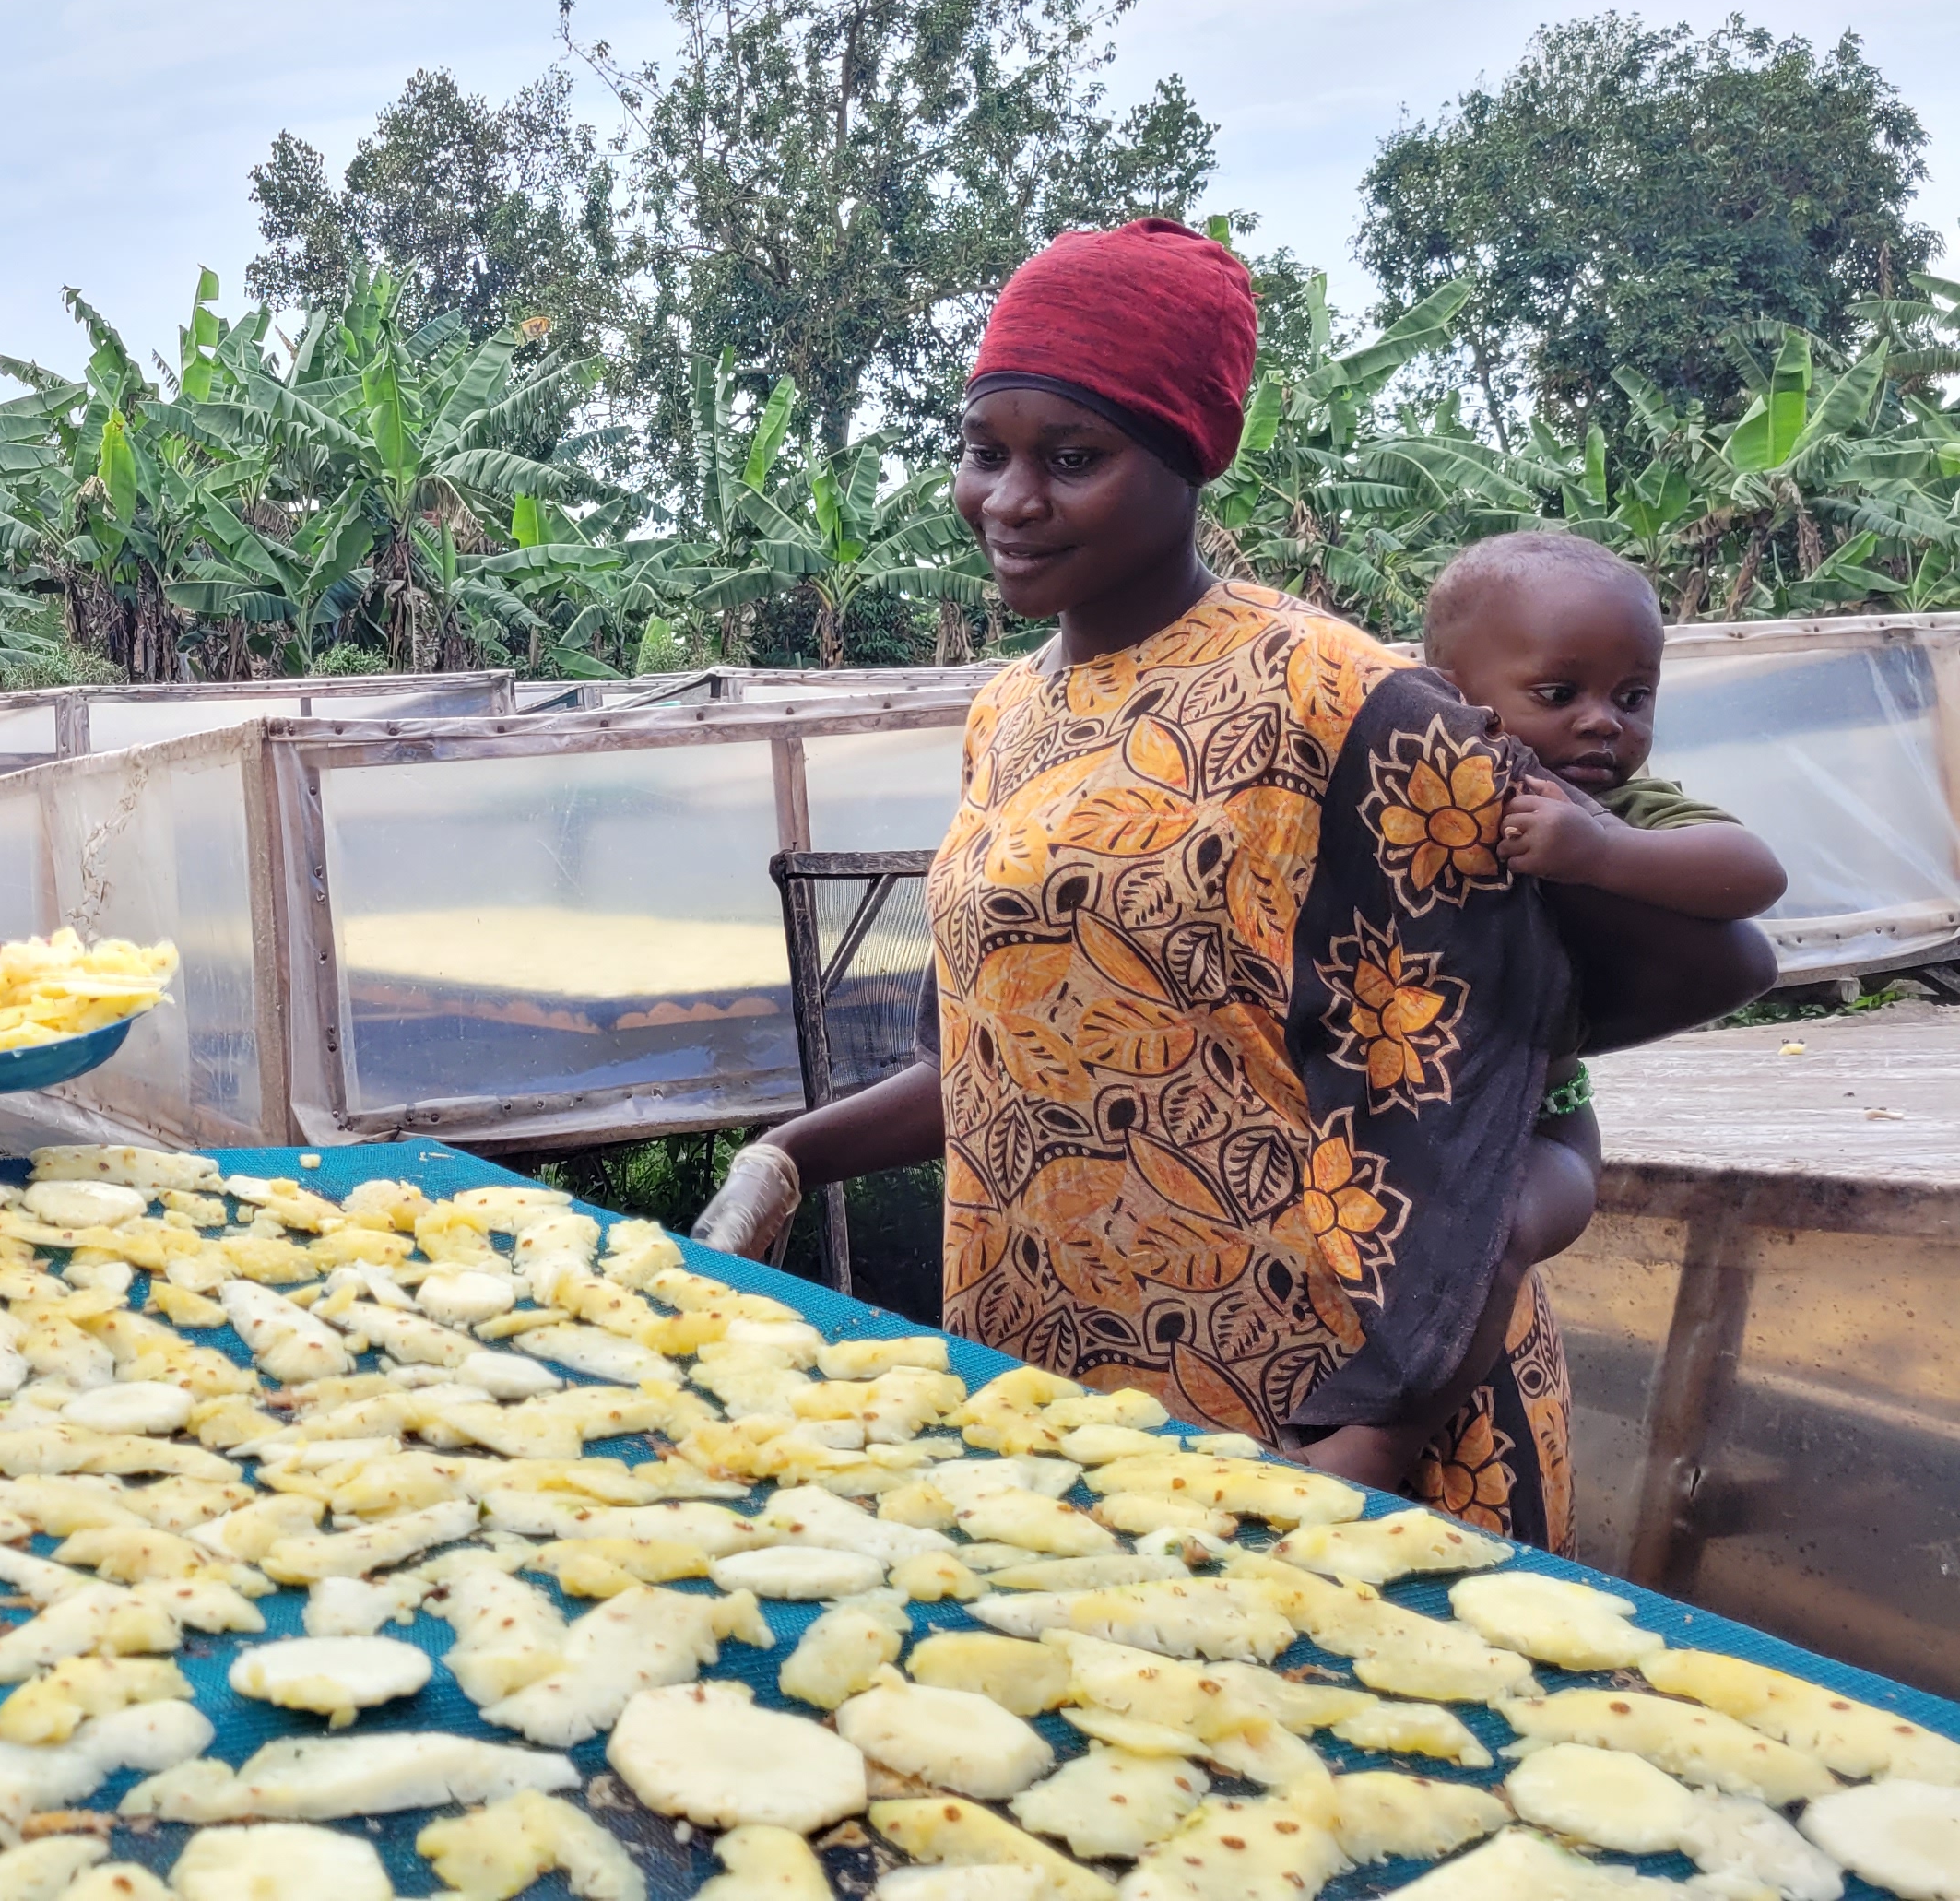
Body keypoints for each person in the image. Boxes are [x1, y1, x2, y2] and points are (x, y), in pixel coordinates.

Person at [697, 219, 1774, 1547]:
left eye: (1073, 459)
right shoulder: (1007, 716)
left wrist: (1378, 1413)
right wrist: (786, 1158)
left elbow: (1711, 960)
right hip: (1062, 1389)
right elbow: (988, 1058)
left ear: (1189, 459)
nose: (1011, 500)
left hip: (1325, 1418)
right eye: (985, 453)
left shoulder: (1337, 696)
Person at [1417, 528, 1786, 1413]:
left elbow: (1755, 872)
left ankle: (1387, 1439)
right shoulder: (1409, 796)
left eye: (1633, 696)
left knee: (1494, 1237)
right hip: (1408, 1110)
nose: (1603, 721)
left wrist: (1604, 850)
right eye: (1560, 693)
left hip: (1543, 1120)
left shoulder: (1617, 805)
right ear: (1448, 693)